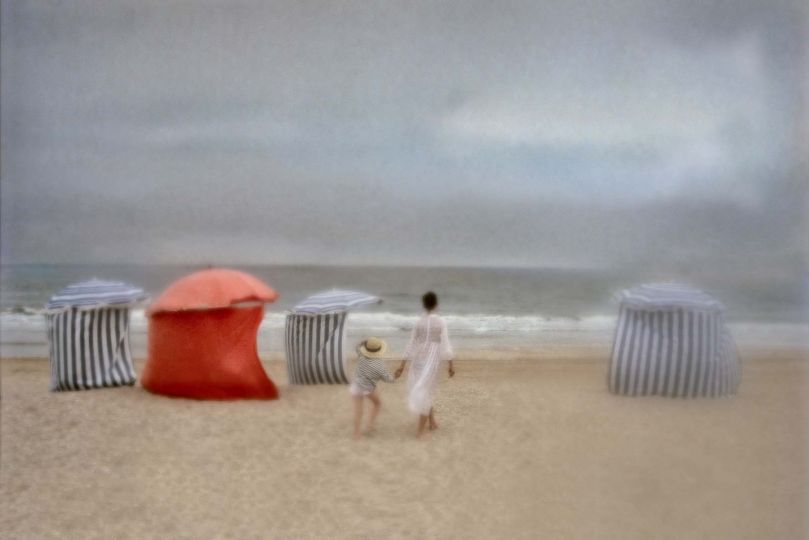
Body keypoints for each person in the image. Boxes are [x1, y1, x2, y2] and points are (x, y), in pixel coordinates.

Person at [395, 291, 455, 439]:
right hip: (431, 361)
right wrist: (450, 364)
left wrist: (402, 365)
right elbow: (446, 344)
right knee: (427, 393)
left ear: (423, 305)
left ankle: (432, 422)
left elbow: (411, 344)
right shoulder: (441, 322)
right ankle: (420, 433)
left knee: (425, 391)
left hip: (418, 360)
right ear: (436, 304)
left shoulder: (418, 322)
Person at [350, 337, 395, 440]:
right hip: (368, 388)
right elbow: (388, 379)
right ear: (379, 350)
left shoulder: (361, 356)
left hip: (356, 386)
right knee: (377, 404)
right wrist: (395, 377)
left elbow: (357, 347)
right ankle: (370, 425)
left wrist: (365, 341)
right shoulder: (379, 365)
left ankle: (356, 434)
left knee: (358, 411)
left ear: (365, 349)